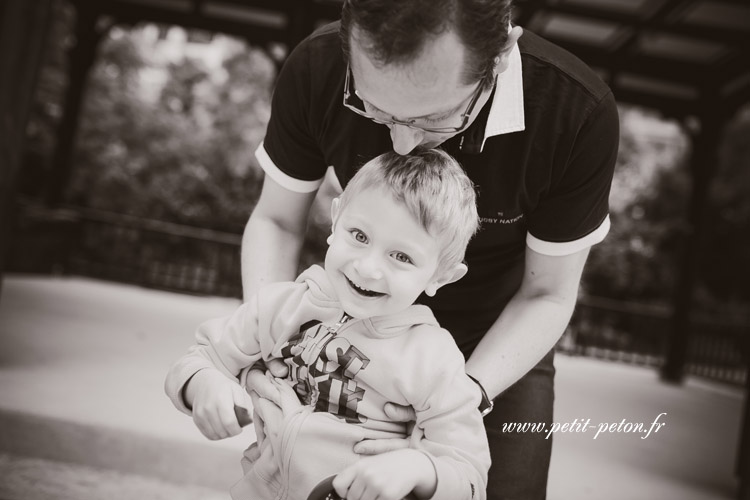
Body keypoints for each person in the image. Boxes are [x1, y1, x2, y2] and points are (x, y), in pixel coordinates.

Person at [242, 0, 619, 498]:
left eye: (434, 118)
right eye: (372, 107)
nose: (400, 143)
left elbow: (546, 294)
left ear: (501, 53)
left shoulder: (577, 113)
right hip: (345, 320)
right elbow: (276, 222)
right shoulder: (317, 66)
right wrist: (270, 345)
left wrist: (459, 400)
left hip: (496, 334)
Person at [166, 149, 490, 500]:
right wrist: (203, 385)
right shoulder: (283, 305)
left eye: (401, 257)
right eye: (360, 236)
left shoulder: (433, 359)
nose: (367, 268)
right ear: (336, 220)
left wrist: (420, 468)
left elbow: (469, 475)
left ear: (441, 276)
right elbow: (197, 360)